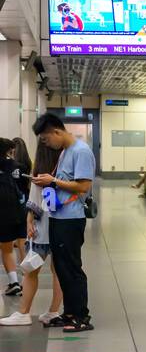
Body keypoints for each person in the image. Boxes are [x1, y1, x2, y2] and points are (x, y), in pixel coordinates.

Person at [30, 113, 95, 332]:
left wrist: (53, 180)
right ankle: (69, 313)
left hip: (71, 219)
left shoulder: (81, 151)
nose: (47, 145)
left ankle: (81, 316)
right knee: (61, 268)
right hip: (58, 217)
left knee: (72, 268)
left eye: (47, 140)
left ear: (57, 132)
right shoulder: (65, 152)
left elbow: (83, 186)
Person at [0, 140, 63, 326]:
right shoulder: (62, 170)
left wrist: (30, 219)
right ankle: (52, 311)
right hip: (58, 227)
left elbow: (34, 199)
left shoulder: (42, 172)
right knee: (56, 270)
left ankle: (24, 312)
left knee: (31, 271)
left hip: (41, 229)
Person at [0, 139, 25, 296]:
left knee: (6, 249)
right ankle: (23, 279)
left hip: (2, 213)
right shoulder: (18, 166)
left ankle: (14, 281)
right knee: (16, 246)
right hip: (18, 211)